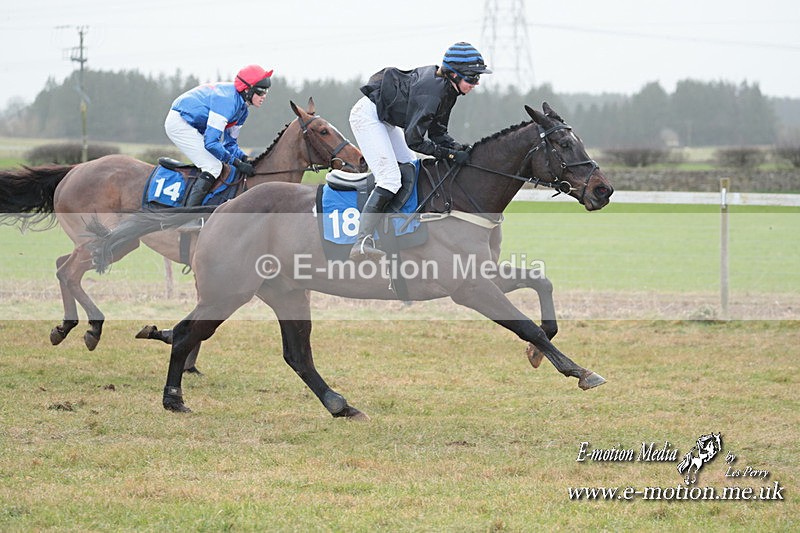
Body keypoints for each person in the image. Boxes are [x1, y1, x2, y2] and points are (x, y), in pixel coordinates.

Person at [348, 42, 491, 261]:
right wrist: (450, 155)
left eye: (478, 78)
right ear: (453, 74)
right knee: (390, 179)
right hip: (368, 116)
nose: (476, 83)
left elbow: (437, 133)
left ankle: (391, 223)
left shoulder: (448, 91)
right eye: (472, 78)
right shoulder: (433, 93)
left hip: (386, 119)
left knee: (411, 166)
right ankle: (362, 242)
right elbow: (414, 140)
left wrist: (460, 149)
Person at [164, 64, 273, 206]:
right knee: (213, 166)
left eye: (266, 92)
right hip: (180, 122)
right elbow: (211, 143)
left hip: (195, 125)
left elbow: (230, 145)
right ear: (247, 90)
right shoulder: (227, 101)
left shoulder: (243, 110)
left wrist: (246, 159)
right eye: (260, 92)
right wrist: (237, 163)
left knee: (222, 165)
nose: (264, 96)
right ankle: (186, 216)